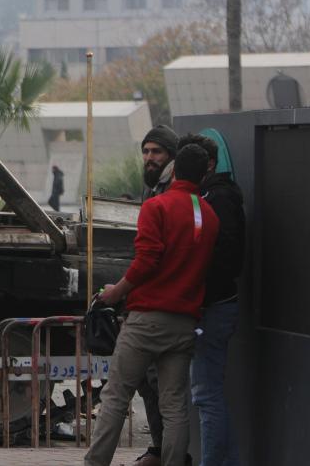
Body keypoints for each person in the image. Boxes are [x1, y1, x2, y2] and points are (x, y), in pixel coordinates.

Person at [84, 145, 220, 466]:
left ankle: (95, 463)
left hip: (147, 321)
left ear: (172, 171)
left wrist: (116, 291)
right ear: (205, 174)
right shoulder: (210, 216)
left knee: (116, 396)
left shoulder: (157, 206)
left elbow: (147, 260)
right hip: (185, 323)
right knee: (174, 406)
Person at [178, 134, 246, 466]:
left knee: (205, 396)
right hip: (212, 305)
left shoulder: (217, 198)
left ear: (209, 164)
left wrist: (200, 295)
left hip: (213, 308)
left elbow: (227, 257)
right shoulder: (212, 196)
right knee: (206, 395)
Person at [130, 123, 180, 465]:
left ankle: (168, 453)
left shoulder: (170, 193)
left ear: (171, 156)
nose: (150, 158)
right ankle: (160, 449)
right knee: (148, 382)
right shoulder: (153, 189)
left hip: (165, 303)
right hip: (150, 300)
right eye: (146, 151)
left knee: (161, 386)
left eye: (156, 152)